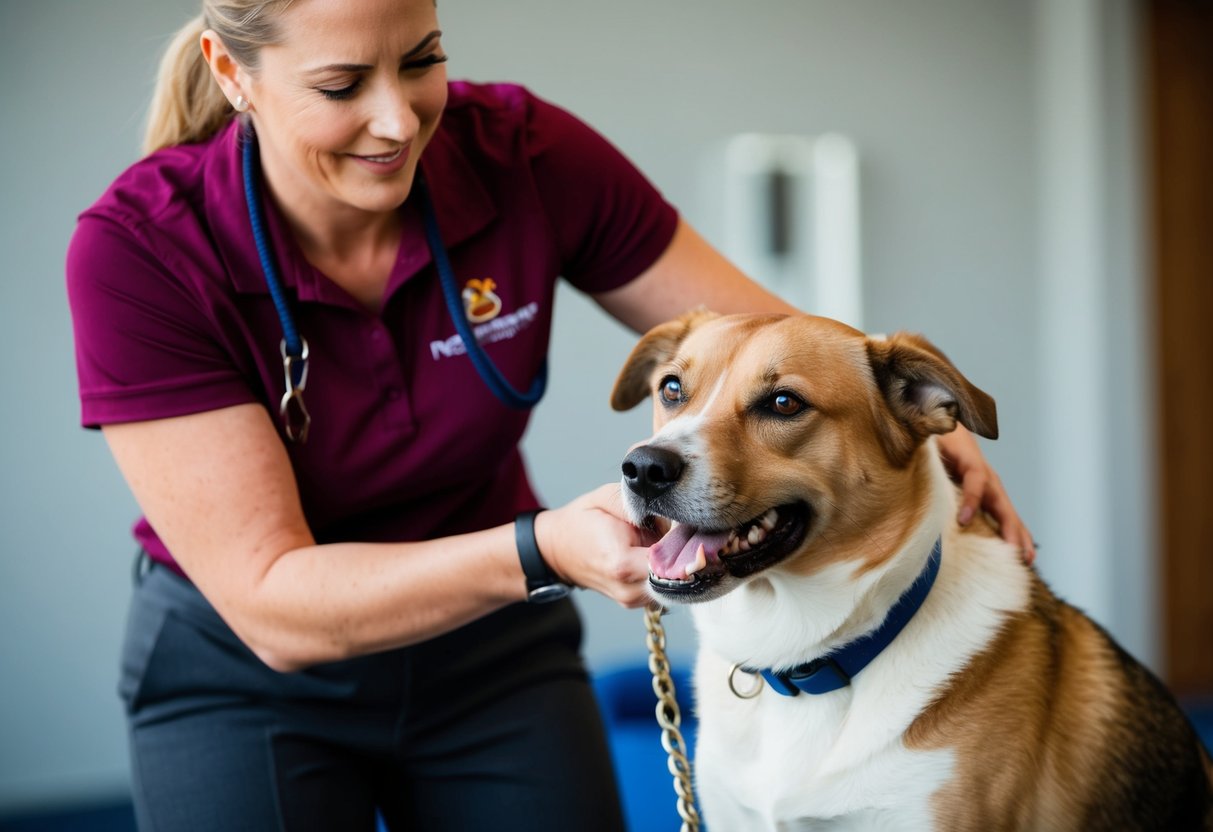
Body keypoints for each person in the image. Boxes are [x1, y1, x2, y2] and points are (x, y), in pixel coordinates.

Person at [65, 0, 1037, 828]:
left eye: (423, 61)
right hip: (252, 671)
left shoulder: (521, 153)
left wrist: (925, 428)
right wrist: (544, 551)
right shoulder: (140, 252)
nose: (398, 121)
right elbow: (274, 602)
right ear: (229, 70)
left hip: (491, 648)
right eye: (341, 84)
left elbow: (767, 344)